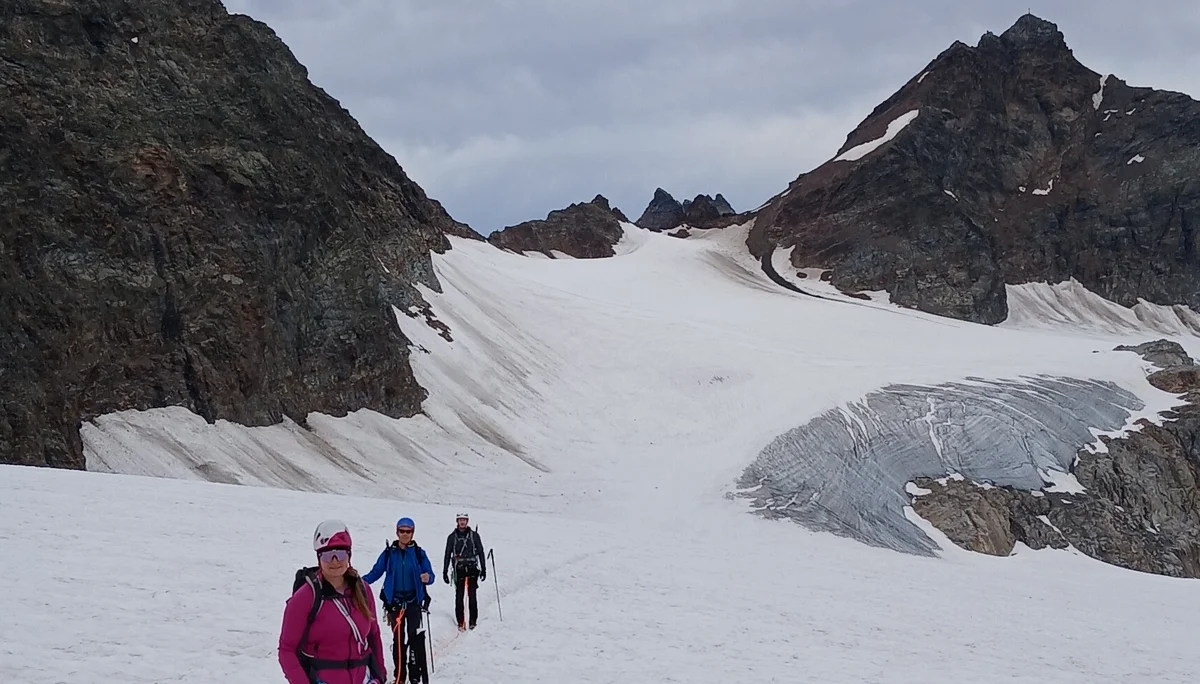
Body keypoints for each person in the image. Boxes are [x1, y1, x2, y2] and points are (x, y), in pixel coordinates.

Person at [279, 520, 387, 684]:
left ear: (349, 555)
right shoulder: (305, 598)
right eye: (328, 555)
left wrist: (380, 676)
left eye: (341, 554)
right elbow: (287, 650)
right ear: (319, 558)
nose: (335, 561)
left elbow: (373, 635)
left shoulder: (363, 590)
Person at [363, 517, 436, 684]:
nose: (404, 534)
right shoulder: (389, 553)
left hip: (414, 603)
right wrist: (359, 582)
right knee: (398, 640)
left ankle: (415, 674)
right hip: (394, 604)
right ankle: (400, 675)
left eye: (408, 531)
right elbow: (376, 572)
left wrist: (428, 577)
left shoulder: (419, 553)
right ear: (397, 532)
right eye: (402, 531)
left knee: (414, 639)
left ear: (412, 533)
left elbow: (430, 575)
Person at [442, 512, 486, 631]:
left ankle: (472, 621)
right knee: (459, 596)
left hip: (472, 568)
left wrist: (483, 569)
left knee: (472, 595)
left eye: (464, 520)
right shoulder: (452, 537)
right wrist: (444, 571)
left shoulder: (474, 536)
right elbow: (447, 554)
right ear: (457, 521)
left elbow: (481, 552)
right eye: (460, 520)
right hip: (459, 569)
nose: (462, 522)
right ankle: (460, 622)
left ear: (467, 521)